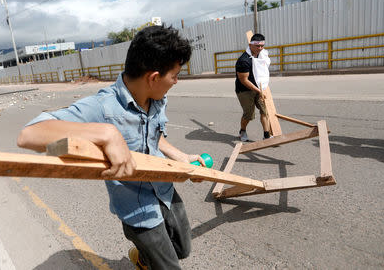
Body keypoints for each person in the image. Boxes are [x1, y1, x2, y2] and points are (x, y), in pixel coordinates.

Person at [17, 25, 205, 270]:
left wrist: (180, 156)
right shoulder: (102, 107)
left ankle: (143, 258)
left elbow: (152, 134)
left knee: (183, 249)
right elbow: (29, 135)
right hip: (138, 210)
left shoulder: (157, 98)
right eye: (175, 75)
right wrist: (106, 133)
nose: (176, 82)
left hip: (164, 189)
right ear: (154, 77)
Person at [235, 33, 271, 142]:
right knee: (249, 114)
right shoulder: (243, 60)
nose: (260, 48)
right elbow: (244, 80)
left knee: (265, 111)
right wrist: (258, 91)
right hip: (245, 90)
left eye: (262, 46)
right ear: (250, 45)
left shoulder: (261, 55)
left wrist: (262, 88)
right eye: (257, 46)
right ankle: (242, 131)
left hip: (258, 88)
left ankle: (266, 135)